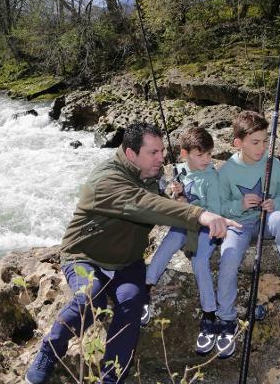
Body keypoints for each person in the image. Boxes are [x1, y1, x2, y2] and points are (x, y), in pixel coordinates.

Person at [25, 123, 241, 384]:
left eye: (162, 151)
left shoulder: (153, 174)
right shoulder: (106, 180)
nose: (161, 158)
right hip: (84, 256)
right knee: (90, 297)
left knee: (131, 303)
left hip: (128, 262)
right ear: (130, 154)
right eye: (153, 152)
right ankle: (50, 350)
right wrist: (199, 215)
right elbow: (143, 204)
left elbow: (163, 202)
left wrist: (179, 197)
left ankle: (112, 377)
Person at [214, 110, 280, 359]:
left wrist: (274, 203)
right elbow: (219, 207)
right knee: (229, 257)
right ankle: (226, 320)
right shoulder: (227, 171)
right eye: (255, 142)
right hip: (239, 225)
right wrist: (239, 206)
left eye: (266, 141)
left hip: (267, 221)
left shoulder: (273, 164)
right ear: (238, 143)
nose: (262, 147)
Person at [142, 127, 221, 355]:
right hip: (185, 224)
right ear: (184, 154)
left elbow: (214, 212)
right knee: (167, 244)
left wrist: (188, 204)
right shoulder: (179, 170)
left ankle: (209, 314)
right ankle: (146, 288)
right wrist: (176, 194)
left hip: (208, 228)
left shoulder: (212, 178)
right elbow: (172, 200)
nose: (206, 159)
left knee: (199, 261)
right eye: (200, 155)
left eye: (209, 154)